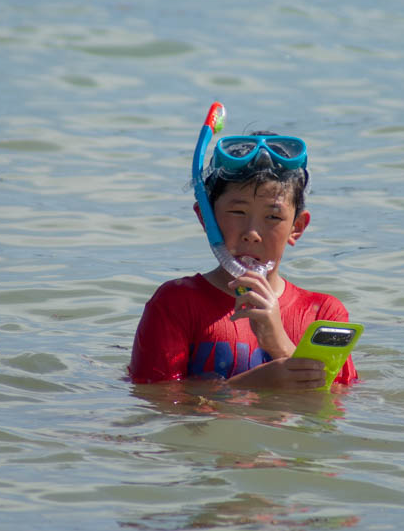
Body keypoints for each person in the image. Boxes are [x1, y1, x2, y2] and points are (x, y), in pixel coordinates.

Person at [128, 124, 357, 389]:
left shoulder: (324, 315)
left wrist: (279, 343)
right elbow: (153, 401)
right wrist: (249, 386)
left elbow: (336, 409)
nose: (252, 234)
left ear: (297, 227)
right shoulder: (175, 304)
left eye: (272, 217)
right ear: (206, 218)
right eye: (238, 213)